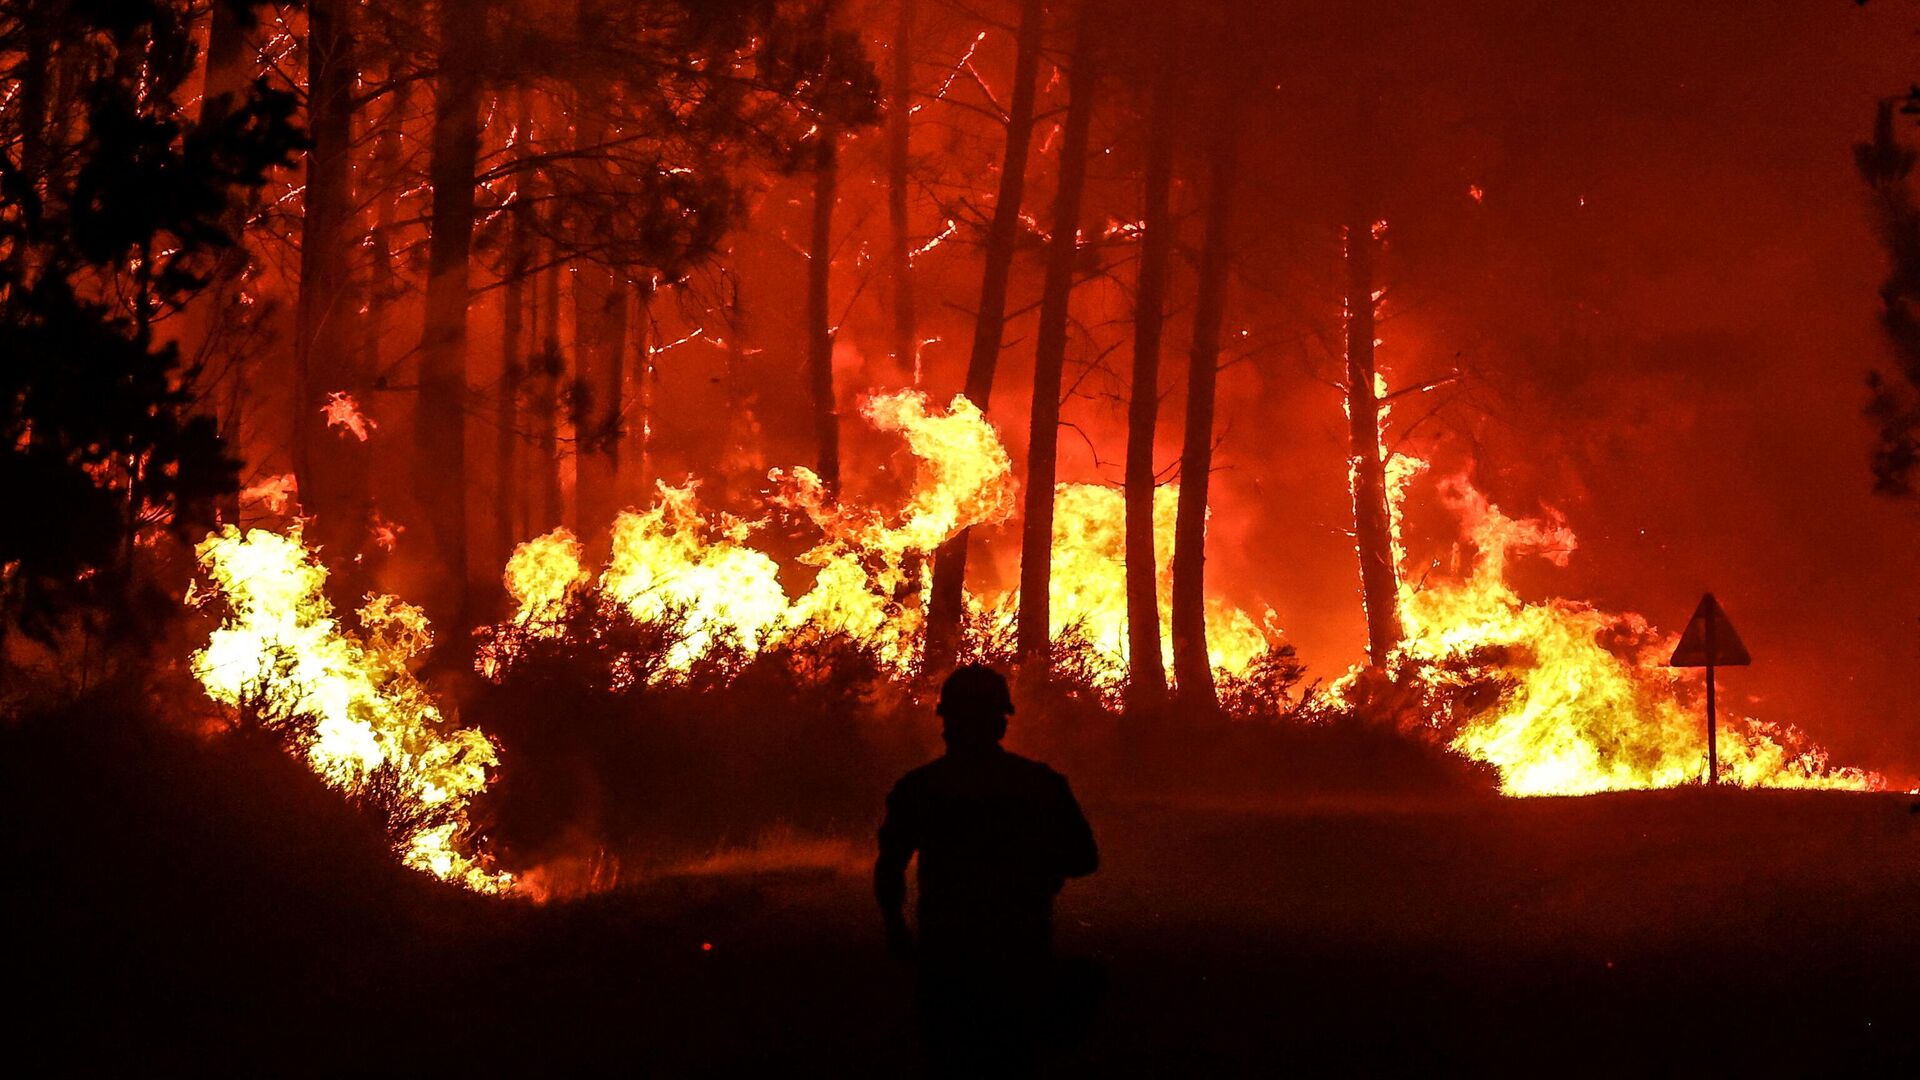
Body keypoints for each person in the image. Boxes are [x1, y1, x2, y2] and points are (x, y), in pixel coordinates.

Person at [875, 664, 1099, 1077]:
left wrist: (897, 932)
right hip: (1019, 952)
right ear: (1001, 722)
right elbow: (1084, 859)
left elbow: (889, 868)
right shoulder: (1040, 785)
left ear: (947, 722)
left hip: (946, 957)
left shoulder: (920, 788)